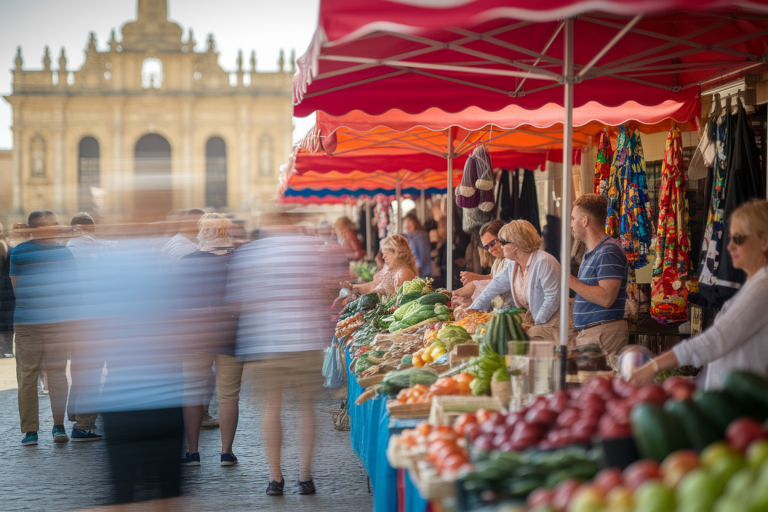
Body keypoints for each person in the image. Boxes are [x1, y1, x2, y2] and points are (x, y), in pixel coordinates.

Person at [227, 213, 347, 496]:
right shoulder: (309, 248)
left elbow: (241, 302)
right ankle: (305, 477)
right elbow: (328, 289)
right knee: (306, 407)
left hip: (268, 343)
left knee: (272, 408)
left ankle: (275, 479)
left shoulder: (252, 252)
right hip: (305, 339)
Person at [630, 199, 768, 390]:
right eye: (729, 239)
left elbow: (717, 340)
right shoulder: (755, 283)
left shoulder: (763, 286)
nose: (729, 247)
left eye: (738, 239)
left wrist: (654, 367)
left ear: (764, 241)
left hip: (742, 401)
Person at [10, 210, 100, 445]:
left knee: (29, 375)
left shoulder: (19, 251)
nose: (57, 227)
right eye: (53, 224)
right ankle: (56, 428)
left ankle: (32, 431)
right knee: (54, 374)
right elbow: (71, 288)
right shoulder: (62, 252)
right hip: (54, 322)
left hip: (29, 321)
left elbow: (16, 287)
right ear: (39, 228)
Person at [178, 213, 244, 467]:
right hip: (231, 335)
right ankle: (226, 452)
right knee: (229, 396)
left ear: (202, 232)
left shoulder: (187, 262)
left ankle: (192, 452)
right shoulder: (239, 261)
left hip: (195, 337)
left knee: (192, 395)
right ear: (227, 232)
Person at [466, 220, 564, 340]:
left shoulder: (544, 262)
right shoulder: (513, 262)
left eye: (503, 242)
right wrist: (472, 310)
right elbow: (495, 285)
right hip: (534, 323)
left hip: (552, 326)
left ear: (516, 244)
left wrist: (536, 325)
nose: (501, 246)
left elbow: (552, 299)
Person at [568, 194, 629, 355]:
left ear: (585, 220)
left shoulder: (608, 251)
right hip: (593, 335)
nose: (571, 224)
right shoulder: (593, 252)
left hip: (602, 335)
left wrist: (569, 280)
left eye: (573, 218)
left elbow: (606, 298)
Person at [452, 220, 510, 309]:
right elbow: (494, 277)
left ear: (503, 237)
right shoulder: (499, 260)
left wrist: (476, 279)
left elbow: (500, 283)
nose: (490, 250)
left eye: (492, 243)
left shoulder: (513, 260)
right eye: (486, 247)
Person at [350, 234, 418, 297]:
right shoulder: (396, 270)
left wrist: (354, 288)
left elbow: (400, 300)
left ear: (397, 252)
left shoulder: (404, 273)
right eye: (383, 253)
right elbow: (374, 286)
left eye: (387, 253)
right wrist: (353, 288)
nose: (383, 257)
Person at [0, 223, 15, 357]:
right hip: (9, 292)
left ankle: (5, 349)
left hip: (7, 292)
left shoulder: (11, 251)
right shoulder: (11, 251)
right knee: (7, 322)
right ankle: (7, 350)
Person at [403, 211, 432, 277]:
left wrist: (417, 268)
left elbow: (417, 254)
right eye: (405, 222)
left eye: (409, 221)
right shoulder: (420, 234)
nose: (407, 224)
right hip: (424, 270)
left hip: (419, 271)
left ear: (415, 223)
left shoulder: (417, 236)